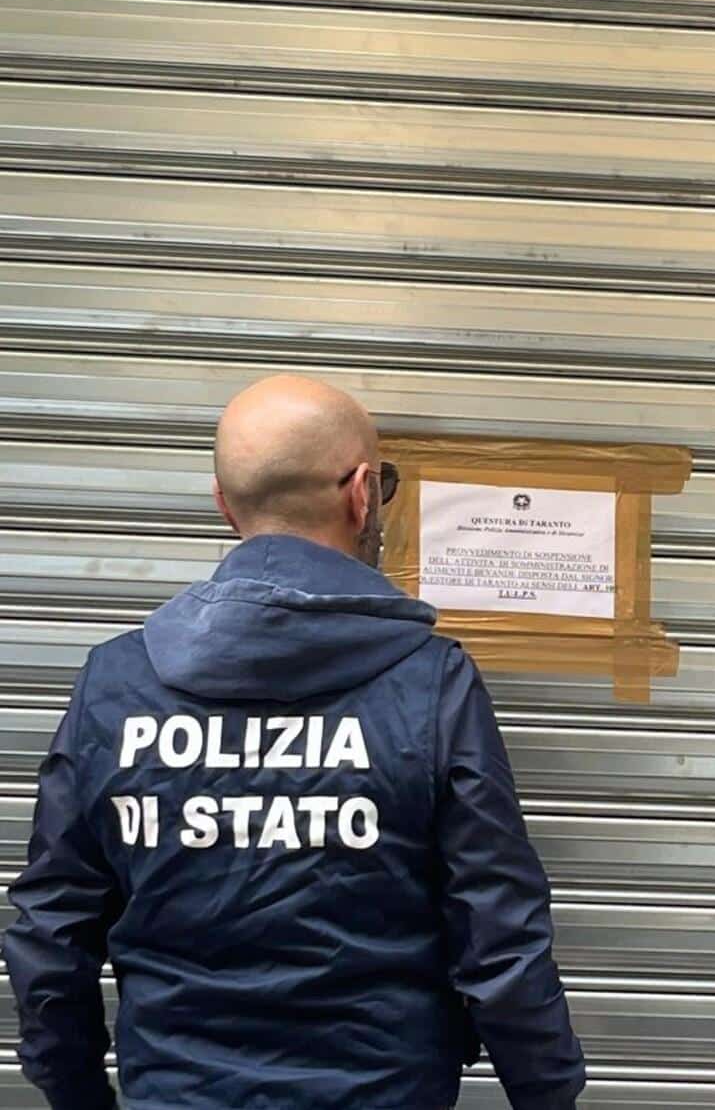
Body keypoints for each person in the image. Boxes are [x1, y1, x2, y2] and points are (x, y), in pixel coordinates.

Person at [3, 373, 587, 1110]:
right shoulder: (432, 684)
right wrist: (548, 1092)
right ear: (363, 493)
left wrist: (78, 1091)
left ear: (224, 503)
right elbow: (499, 936)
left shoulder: (116, 683)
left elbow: (52, 931)